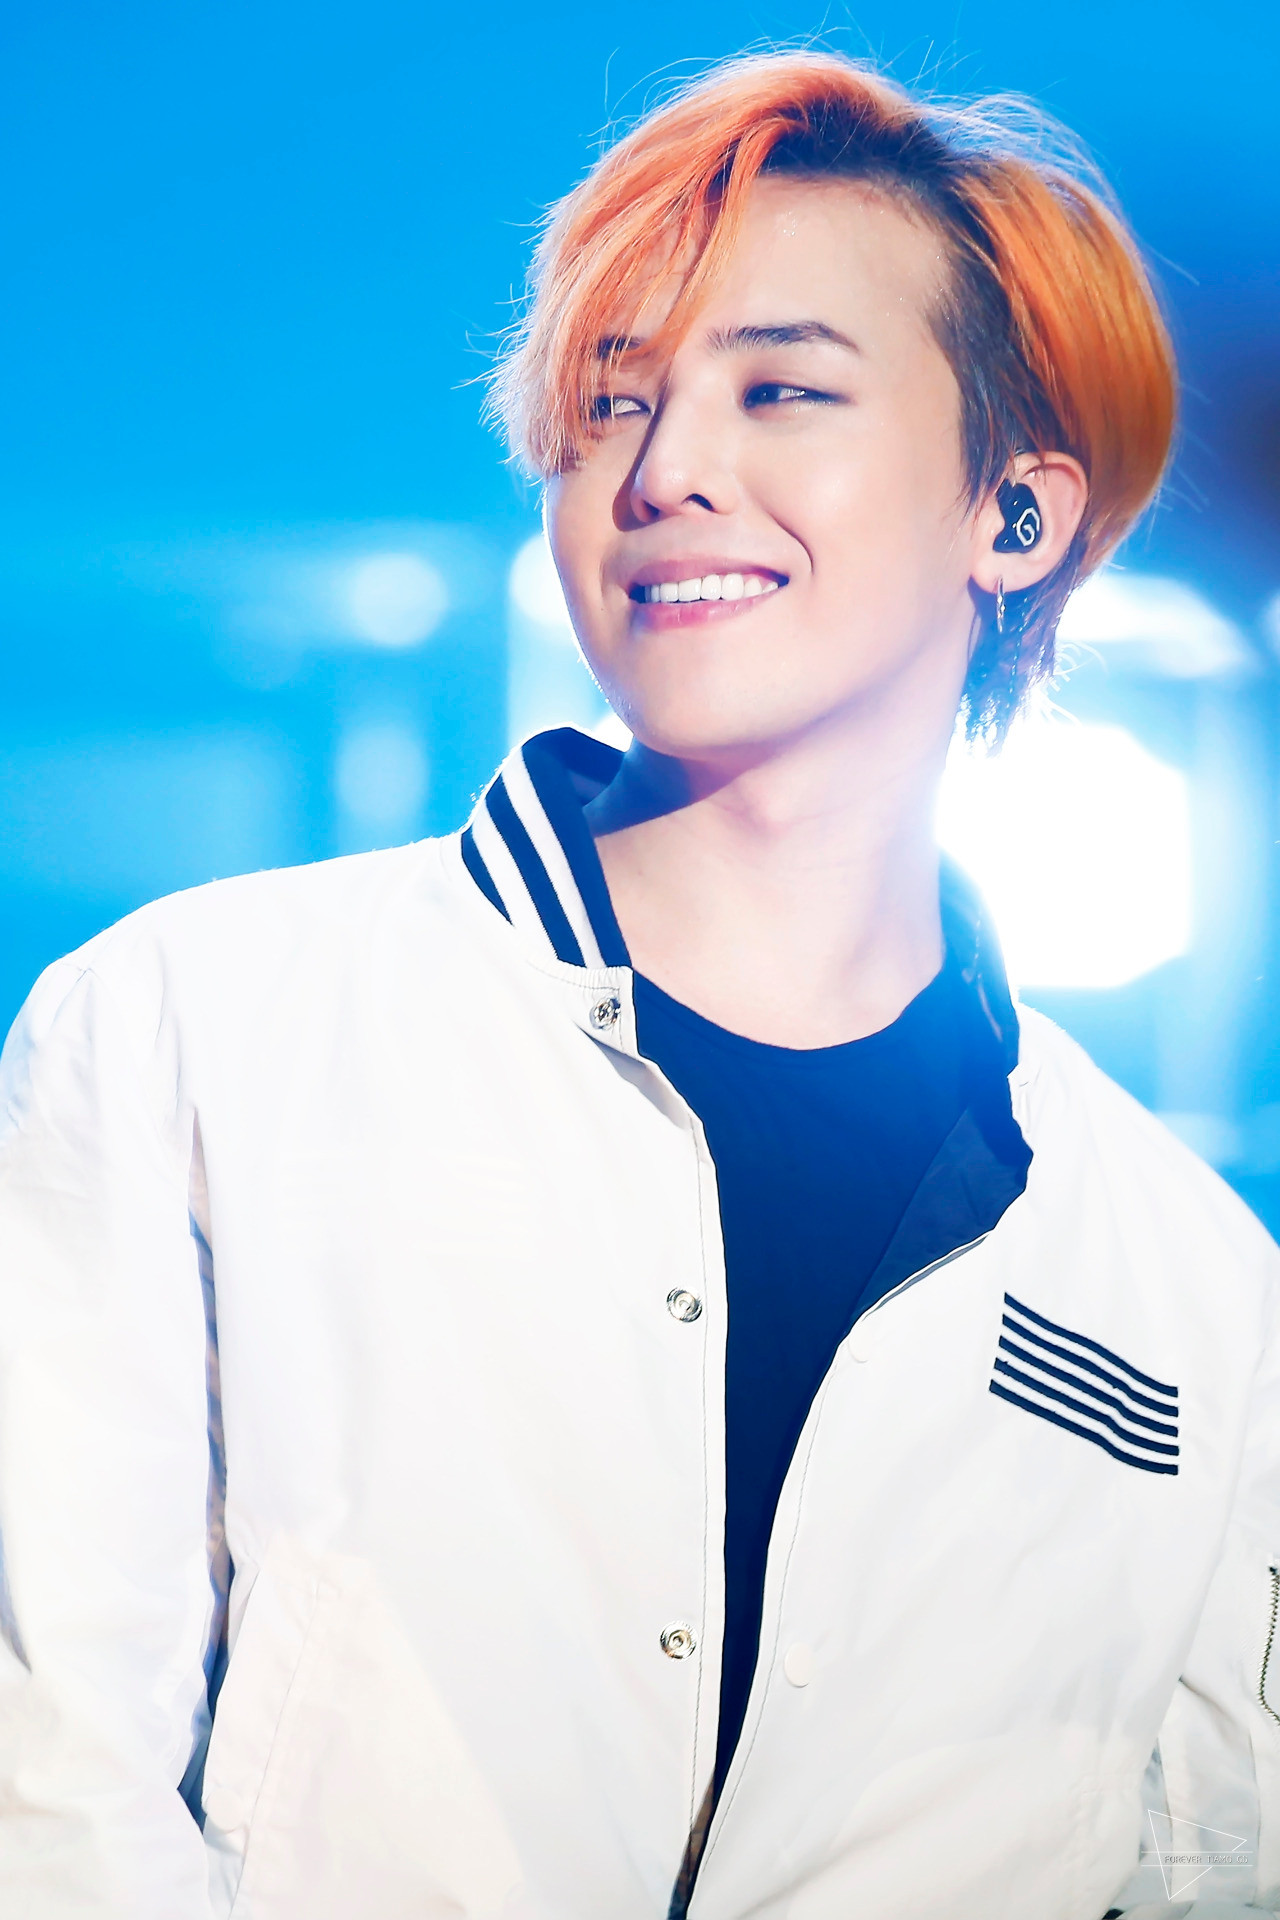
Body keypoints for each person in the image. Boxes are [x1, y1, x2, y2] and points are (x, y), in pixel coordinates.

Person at [0, 47, 1276, 1920]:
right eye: (612, 404)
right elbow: (49, 1786)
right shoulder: (191, 1028)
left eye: (782, 389)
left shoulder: (1194, 1282)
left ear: (1013, 516)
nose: (666, 472)